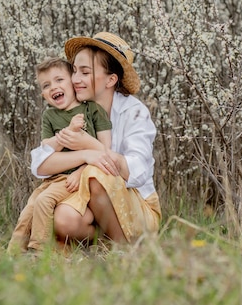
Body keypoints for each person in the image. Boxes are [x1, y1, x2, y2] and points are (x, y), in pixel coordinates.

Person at [30, 32, 161, 247]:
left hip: (138, 207)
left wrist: (91, 146)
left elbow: (138, 171)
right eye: (74, 71)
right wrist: (84, 154)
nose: (75, 80)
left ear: (111, 79)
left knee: (95, 174)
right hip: (91, 203)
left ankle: (126, 251)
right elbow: (40, 164)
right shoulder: (74, 110)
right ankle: (103, 243)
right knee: (63, 219)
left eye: (85, 72)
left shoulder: (134, 112)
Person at [8, 56, 112, 254]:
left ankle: (39, 251)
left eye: (59, 80)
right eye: (46, 85)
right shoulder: (50, 116)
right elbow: (46, 148)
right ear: (44, 95)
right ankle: (13, 253)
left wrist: (80, 172)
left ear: (72, 82)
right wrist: (68, 132)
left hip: (75, 178)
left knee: (44, 202)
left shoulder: (92, 109)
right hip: (53, 179)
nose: (53, 87)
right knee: (28, 211)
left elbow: (103, 151)